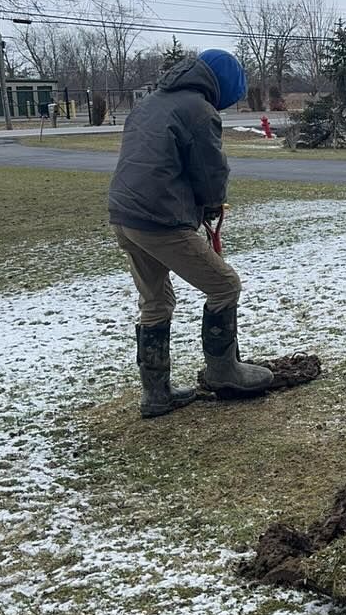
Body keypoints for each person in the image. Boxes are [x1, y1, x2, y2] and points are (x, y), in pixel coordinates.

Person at [108, 49, 275, 418]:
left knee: (156, 301)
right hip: (158, 219)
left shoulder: (151, 102)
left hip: (124, 216)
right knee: (224, 285)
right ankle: (223, 372)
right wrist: (213, 203)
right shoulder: (199, 110)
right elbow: (210, 171)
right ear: (222, 87)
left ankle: (156, 394)